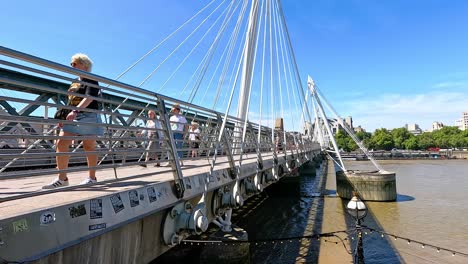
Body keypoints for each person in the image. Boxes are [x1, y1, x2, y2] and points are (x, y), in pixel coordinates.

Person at [43, 53, 103, 189]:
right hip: (74, 116)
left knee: (89, 146)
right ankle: (62, 179)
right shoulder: (74, 81)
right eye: (71, 64)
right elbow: (71, 100)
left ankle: (92, 178)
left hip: (88, 115)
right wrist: (64, 116)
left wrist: (75, 111)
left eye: (75, 63)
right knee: (61, 143)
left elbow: (89, 97)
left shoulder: (91, 79)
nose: (72, 66)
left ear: (84, 65)